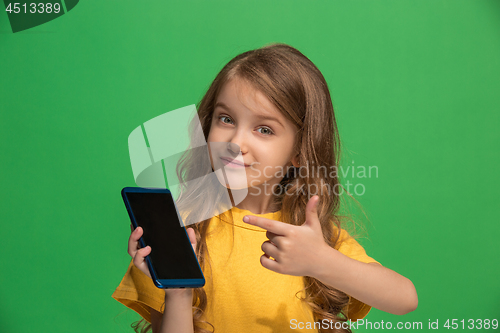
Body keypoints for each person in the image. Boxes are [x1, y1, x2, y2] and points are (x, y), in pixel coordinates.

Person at [112, 43, 418, 333]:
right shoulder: (184, 230)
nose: (235, 143)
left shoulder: (310, 236)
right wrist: (178, 290)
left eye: (264, 129)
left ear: (299, 151)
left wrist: (322, 261)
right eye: (226, 119)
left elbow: (405, 299)